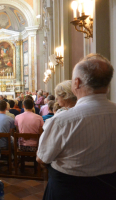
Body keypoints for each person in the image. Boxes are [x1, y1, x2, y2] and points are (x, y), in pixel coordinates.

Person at [37, 54, 116, 200]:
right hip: (110, 190)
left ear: (76, 83)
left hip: (68, 191)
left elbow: (42, 158)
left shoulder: (62, 120)